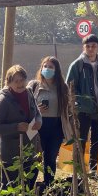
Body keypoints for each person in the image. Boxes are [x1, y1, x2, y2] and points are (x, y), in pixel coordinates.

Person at [66, 34, 98, 176]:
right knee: (81, 140)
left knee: (96, 140)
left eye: (93, 46)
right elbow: (69, 86)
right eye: (88, 46)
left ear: (97, 47)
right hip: (83, 110)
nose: (91, 48)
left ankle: (93, 169)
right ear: (84, 47)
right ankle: (79, 169)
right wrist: (77, 103)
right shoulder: (77, 65)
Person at [0, 65, 42, 196]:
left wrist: (39, 121)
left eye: (22, 80)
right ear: (9, 83)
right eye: (16, 81)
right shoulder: (4, 100)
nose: (20, 84)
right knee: (10, 186)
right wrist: (16, 127)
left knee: (29, 180)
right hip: (11, 151)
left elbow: (37, 112)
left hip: (29, 147)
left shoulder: (29, 92)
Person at [27, 56, 73, 188]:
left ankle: (48, 185)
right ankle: (29, 185)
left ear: (56, 70)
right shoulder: (33, 85)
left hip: (56, 126)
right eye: (45, 66)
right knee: (35, 156)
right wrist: (37, 109)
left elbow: (68, 108)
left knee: (51, 157)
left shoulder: (62, 87)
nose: (47, 69)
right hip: (37, 126)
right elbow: (27, 106)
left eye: (50, 67)